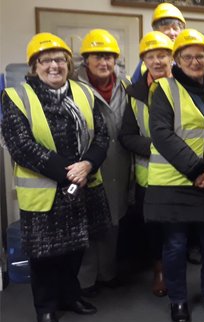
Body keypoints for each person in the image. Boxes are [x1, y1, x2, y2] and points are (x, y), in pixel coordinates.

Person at [1, 33, 111, 322]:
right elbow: (21, 146)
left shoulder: (84, 93)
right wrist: (69, 173)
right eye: (46, 60)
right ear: (34, 66)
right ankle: (46, 308)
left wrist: (88, 163)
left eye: (60, 59)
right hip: (47, 192)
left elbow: (102, 135)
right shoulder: (17, 97)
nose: (54, 65)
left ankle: (70, 297)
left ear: (68, 64)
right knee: (44, 256)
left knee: (76, 249)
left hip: (83, 187)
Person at [143, 29, 204, 322]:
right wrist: (198, 171)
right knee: (175, 246)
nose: (194, 61)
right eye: (187, 56)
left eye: (200, 56)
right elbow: (162, 135)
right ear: (177, 60)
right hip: (174, 182)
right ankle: (178, 301)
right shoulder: (163, 90)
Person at [74, 29, 131, 296]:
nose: (104, 63)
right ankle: (85, 282)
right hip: (89, 164)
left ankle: (107, 274)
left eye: (109, 57)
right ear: (86, 59)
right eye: (98, 56)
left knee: (114, 220)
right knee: (87, 224)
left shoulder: (126, 85)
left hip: (120, 162)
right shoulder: (73, 87)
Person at [118, 31, 173, 298]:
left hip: (180, 173)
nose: (157, 61)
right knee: (153, 229)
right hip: (149, 176)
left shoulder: (185, 86)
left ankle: (176, 268)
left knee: (178, 225)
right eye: (151, 57)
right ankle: (159, 271)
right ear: (144, 61)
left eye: (162, 55)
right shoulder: (135, 93)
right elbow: (126, 135)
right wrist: (156, 147)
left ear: (171, 58)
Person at [131, 2, 186, 83]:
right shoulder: (144, 65)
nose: (172, 33)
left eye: (175, 28)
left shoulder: (192, 56)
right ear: (156, 31)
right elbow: (135, 89)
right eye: (166, 28)